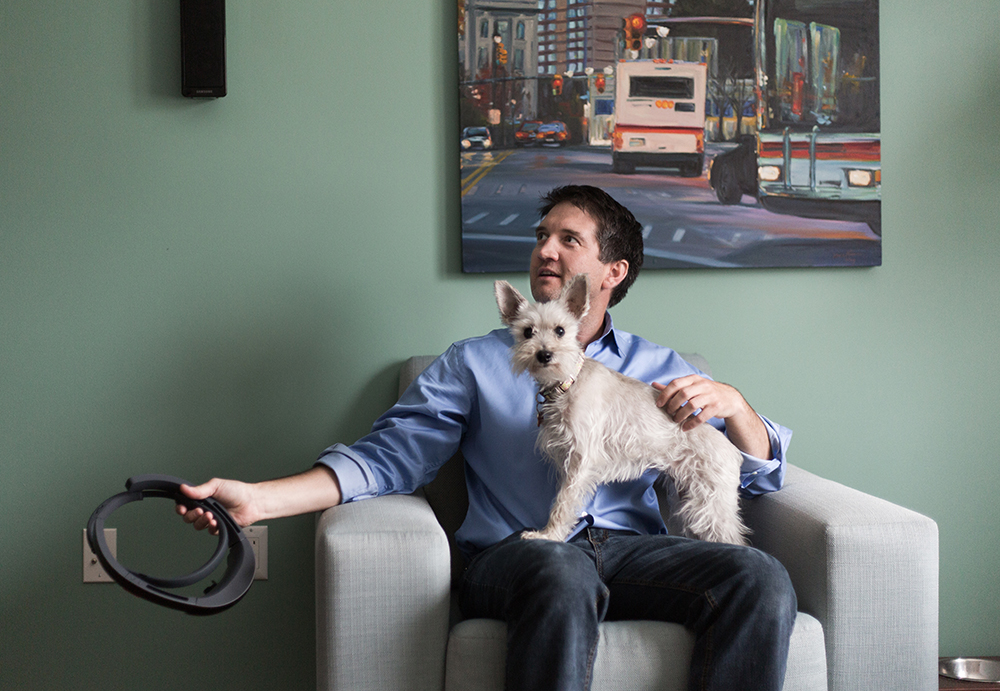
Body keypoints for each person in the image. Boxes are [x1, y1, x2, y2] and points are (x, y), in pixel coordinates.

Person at [178, 185, 796, 691]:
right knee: (563, 573)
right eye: (540, 237)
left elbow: (754, 474)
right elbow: (389, 458)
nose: (545, 251)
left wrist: (737, 407)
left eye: (568, 239)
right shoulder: (473, 364)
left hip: (635, 552)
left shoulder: (661, 368)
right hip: (514, 554)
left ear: (611, 273)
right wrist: (261, 500)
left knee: (761, 577)